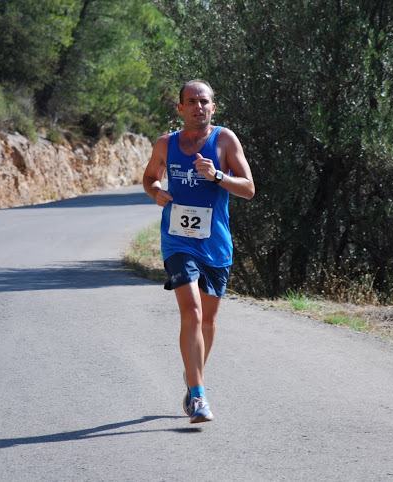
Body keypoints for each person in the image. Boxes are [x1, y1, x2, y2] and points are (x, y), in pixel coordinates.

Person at [142, 80, 255, 423]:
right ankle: (199, 395)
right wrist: (156, 191)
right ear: (180, 108)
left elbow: (248, 188)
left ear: (213, 107)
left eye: (203, 101)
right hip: (178, 240)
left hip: (216, 244)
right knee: (190, 310)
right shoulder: (166, 144)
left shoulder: (225, 140)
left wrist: (218, 174)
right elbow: (149, 178)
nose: (197, 107)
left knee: (207, 320)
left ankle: (193, 377)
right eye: (190, 101)